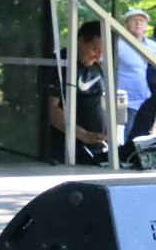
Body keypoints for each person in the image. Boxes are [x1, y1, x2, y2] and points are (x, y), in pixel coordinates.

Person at [46, 20, 107, 165]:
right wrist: (81, 134)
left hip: (96, 148)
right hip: (67, 149)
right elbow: (52, 108)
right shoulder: (61, 64)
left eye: (101, 52)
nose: (97, 56)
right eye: (94, 49)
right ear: (81, 41)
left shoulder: (97, 67)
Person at [117, 9, 156, 138]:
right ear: (125, 25)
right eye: (134, 20)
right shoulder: (117, 45)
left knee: (142, 138)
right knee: (121, 139)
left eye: (142, 21)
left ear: (146, 26)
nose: (138, 23)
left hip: (146, 102)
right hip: (123, 102)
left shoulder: (153, 46)